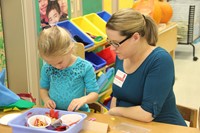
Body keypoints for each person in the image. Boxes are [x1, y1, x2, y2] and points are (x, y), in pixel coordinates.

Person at [106, 8, 187, 126]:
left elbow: (147, 113)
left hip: (163, 127)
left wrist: (115, 111)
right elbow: (116, 95)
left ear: (135, 37)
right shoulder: (122, 55)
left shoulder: (160, 60)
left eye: (116, 43)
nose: (112, 48)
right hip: (131, 125)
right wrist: (113, 123)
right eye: (110, 42)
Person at [38, 26, 99, 112]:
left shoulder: (85, 67)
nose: (56, 67)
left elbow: (94, 94)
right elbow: (43, 88)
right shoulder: (47, 68)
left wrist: (83, 100)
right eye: (51, 63)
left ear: (70, 50)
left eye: (59, 62)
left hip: (79, 113)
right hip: (56, 113)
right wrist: (46, 100)